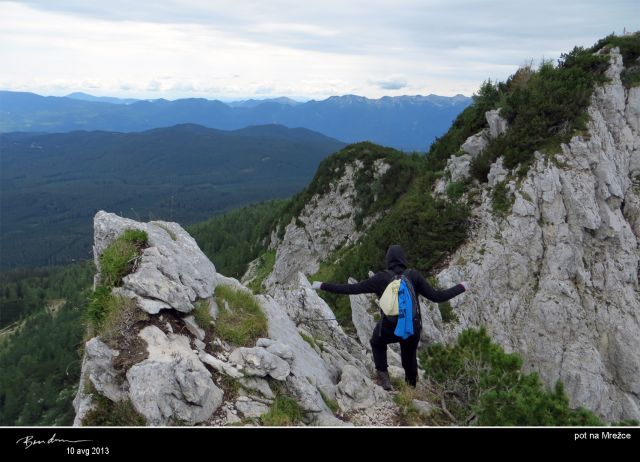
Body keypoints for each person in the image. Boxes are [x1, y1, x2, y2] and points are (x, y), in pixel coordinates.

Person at [311, 244, 468, 391]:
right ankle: (410, 390)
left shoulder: (381, 278)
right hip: (411, 326)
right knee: (409, 357)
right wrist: (461, 287)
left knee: (377, 342)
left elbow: (352, 289)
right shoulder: (413, 275)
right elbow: (437, 297)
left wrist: (323, 285)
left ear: (388, 261)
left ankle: (384, 379)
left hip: (390, 326)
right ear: (403, 260)